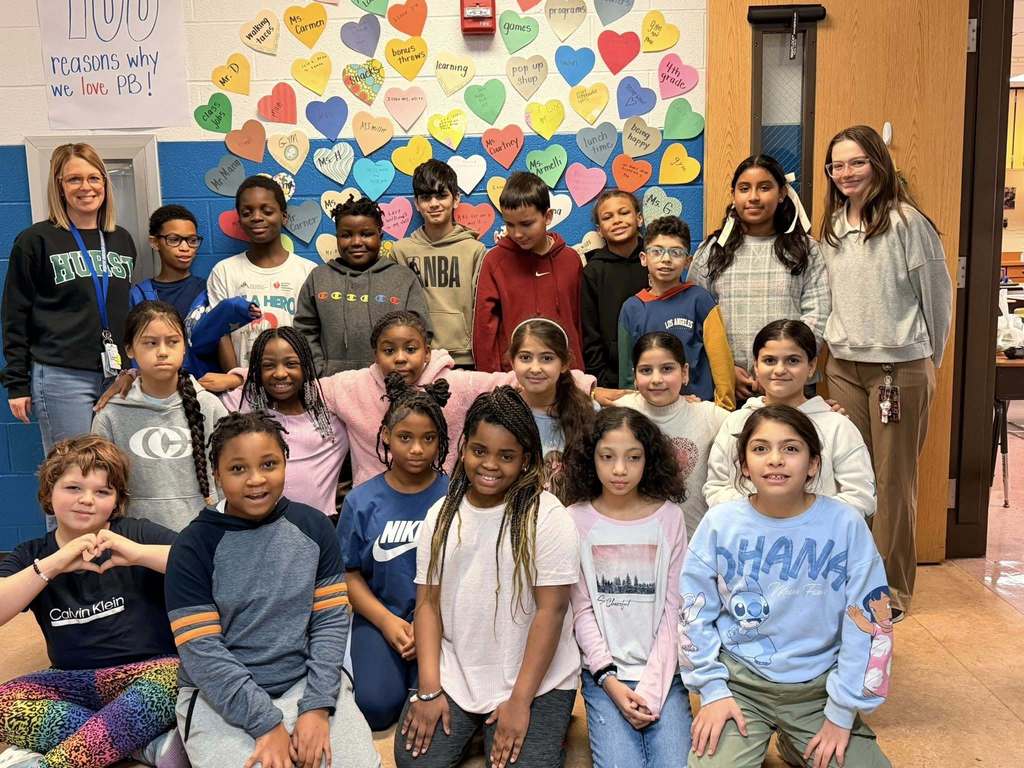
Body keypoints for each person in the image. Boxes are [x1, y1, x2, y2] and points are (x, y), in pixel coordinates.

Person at [164, 411, 380, 768]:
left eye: (269, 464)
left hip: (306, 680)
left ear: (285, 463)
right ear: (216, 473)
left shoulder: (314, 527)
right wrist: (266, 724)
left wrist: (317, 706)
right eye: (238, 469)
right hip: (222, 695)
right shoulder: (192, 546)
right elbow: (202, 651)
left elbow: (329, 624)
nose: (256, 480)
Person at [682, 405, 892, 768]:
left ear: (813, 464)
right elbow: (692, 611)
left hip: (819, 691)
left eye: (791, 448)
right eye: (760, 448)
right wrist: (712, 690)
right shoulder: (719, 523)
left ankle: (797, 742)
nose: (775, 459)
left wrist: (842, 712)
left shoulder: (846, 524)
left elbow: (871, 622)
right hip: (739, 684)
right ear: (744, 465)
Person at [395, 387, 580, 768]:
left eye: (506, 456)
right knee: (415, 761)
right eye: (480, 451)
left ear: (525, 459)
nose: (490, 465)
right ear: (463, 448)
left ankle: (533, 725)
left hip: (535, 677)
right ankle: (476, 726)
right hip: (459, 670)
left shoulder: (548, 516)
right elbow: (427, 605)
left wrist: (520, 702)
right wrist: (429, 690)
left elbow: (551, 612)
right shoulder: (441, 515)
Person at [214, 310, 599, 485]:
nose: (400, 358)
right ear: (375, 354)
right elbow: (299, 382)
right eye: (389, 350)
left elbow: (516, 377)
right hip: (377, 506)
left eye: (411, 349)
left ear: (427, 353)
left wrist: (585, 383)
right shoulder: (350, 387)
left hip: (439, 501)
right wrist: (238, 376)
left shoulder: (457, 384)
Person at [819, 125, 952, 617]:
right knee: (850, 476)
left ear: (878, 163)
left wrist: (927, 360)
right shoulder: (832, 227)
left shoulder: (906, 222)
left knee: (894, 483)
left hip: (898, 370)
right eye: (837, 165)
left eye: (857, 162)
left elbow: (938, 296)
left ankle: (889, 590)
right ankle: (852, 579)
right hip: (844, 367)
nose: (846, 173)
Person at [0, 436, 183, 768]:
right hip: (74, 679)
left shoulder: (136, 533)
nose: (86, 500)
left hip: (151, 673)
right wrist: (52, 565)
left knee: (177, 678)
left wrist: (139, 554)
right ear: (49, 492)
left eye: (102, 492)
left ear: (116, 501)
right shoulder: (32, 553)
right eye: (73, 488)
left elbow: (205, 563)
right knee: (4, 702)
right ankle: (143, 745)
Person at [561, 407, 691, 767]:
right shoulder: (575, 519)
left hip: (664, 673)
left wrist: (652, 686)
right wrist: (609, 680)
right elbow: (581, 610)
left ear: (649, 460)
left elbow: (675, 609)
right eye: (608, 457)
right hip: (605, 677)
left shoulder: (670, 517)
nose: (620, 469)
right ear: (591, 459)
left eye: (633, 457)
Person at [2, 143, 136, 464]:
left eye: (94, 178)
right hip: (62, 376)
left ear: (105, 183)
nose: (86, 187)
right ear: (59, 186)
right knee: (74, 471)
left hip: (116, 375)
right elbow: (15, 314)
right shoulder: (36, 240)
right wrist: (17, 383)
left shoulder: (121, 239)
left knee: (115, 471)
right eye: (74, 179)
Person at [338, 373, 451, 731]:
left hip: (444, 619)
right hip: (381, 616)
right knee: (376, 707)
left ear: (441, 440)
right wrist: (387, 622)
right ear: (386, 435)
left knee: (432, 701)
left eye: (428, 438)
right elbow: (348, 574)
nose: (417, 449)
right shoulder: (360, 501)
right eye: (405, 437)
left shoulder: (455, 497)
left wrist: (427, 625)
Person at [689, 155, 830, 401]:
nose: (753, 197)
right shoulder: (712, 250)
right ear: (733, 195)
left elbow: (817, 314)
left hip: (790, 385)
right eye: (744, 188)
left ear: (782, 193)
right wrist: (725, 370)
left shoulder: (806, 249)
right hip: (727, 386)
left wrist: (781, 370)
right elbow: (695, 316)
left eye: (764, 188)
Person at [704, 320, 876, 520]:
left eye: (792, 361)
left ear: (811, 366)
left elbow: (860, 495)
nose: (780, 370)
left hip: (819, 535)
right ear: (756, 366)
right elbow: (716, 487)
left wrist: (803, 520)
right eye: (769, 360)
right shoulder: (736, 422)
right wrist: (759, 516)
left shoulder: (838, 426)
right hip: (746, 533)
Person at [92, 301, 226, 532]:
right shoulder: (111, 414)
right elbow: (98, 483)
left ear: (184, 347)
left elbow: (228, 477)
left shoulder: (210, 406)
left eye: (173, 342)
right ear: (130, 349)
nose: (163, 352)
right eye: (150, 343)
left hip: (203, 537)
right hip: (133, 540)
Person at [294, 195, 431, 375]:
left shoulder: (403, 278)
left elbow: (421, 333)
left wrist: (400, 373)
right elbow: (304, 331)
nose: (357, 242)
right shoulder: (318, 278)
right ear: (337, 238)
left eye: (366, 234)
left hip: (390, 382)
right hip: (332, 384)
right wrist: (320, 371)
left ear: (380, 236)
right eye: (346, 235)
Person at [219, 327, 348, 518]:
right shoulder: (241, 404)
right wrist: (237, 378)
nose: (280, 373)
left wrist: (238, 376)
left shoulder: (330, 407)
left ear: (306, 365)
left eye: (291, 364)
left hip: (319, 525)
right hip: (257, 525)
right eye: (268, 365)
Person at [615, 332, 730, 536]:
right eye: (646, 370)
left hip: (694, 541)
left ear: (684, 372)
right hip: (635, 540)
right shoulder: (619, 413)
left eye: (667, 369)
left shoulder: (709, 416)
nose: (656, 379)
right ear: (634, 376)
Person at [617, 216, 736, 410]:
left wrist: (724, 409)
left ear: (688, 261)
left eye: (676, 252)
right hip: (650, 411)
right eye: (657, 251)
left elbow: (721, 361)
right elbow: (627, 374)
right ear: (643, 258)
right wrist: (632, 411)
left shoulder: (700, 300)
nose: (666, 259)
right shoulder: (631, 308)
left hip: (697, 408)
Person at [473, 172, 584, 373]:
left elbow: (579, 323)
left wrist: (579, 372)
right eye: (510, 224)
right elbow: (484, 329)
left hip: (566, 375)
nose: (517, 233)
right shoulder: (494, 261)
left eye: (526, 224)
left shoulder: (570, 260)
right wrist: (492, 380)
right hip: (516, 377)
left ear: (547, 216)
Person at [129, 205, 257, 377]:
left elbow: (222, 337)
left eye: (192, 240)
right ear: (155, 242)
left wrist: (234, 381)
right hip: (158, 386)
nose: (185, 247)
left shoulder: (208, 290)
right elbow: (136, 348)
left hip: (205, 385)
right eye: (174, 239)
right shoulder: (140, 295)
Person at [206, 176, 317, 370]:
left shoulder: (308, 271)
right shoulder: (224, 271)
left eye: (267, 211)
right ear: (240, 220)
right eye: (247, 212)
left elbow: (315, 334)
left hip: (296, 381)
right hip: (243, 382)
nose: (256, 217)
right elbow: (220, 334)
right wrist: (237, 381)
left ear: (284, 217)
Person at [393, 159, 487, 367]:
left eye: (441, 195)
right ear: (417, 204)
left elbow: (482, 310)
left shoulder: (474, 250)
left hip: (463, 357)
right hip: (416, 358)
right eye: (426, 197)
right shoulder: (401, 252)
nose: (434, 203)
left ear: (456, 199)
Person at [508, 317, 595, 501]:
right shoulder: (503, 411)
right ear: (512, 362)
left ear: (564, 364)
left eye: (547, 358)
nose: (535, 368)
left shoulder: (588, 412)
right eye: (525, 357)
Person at [581, 190, 650, 387]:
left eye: (624, 213)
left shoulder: (656, 261)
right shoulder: (593, 272)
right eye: (607, 217)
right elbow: (590, 333)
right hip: (612, 379)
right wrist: (601, 380)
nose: (617, 220)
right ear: (599, 230)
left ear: (639, 219)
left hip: (658, 371)